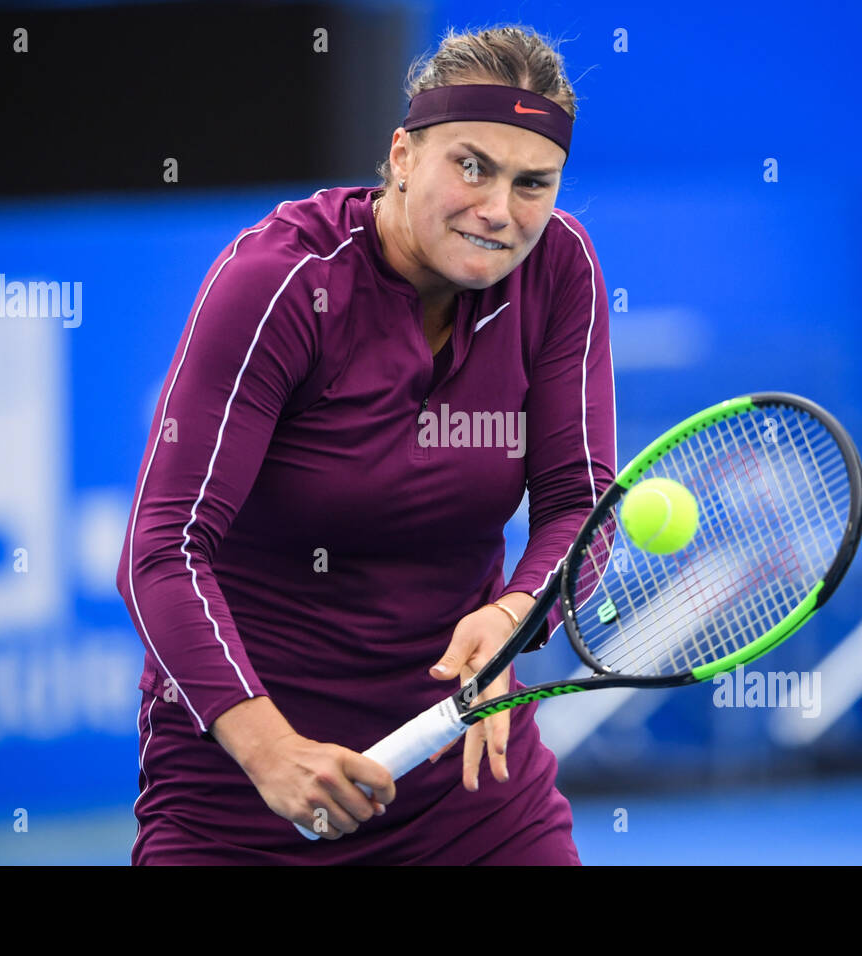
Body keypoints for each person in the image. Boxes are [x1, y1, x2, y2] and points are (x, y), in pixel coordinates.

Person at [118, 24, 615, 865]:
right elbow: (161, 549)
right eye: (472, 165)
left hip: (467, 781)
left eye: (534, 182)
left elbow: (581, 503)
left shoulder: (559, 267)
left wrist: (511, 616)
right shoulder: (279, 283)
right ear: (401, 156)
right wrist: (270, 750)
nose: (500, 210)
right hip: (244, 792)